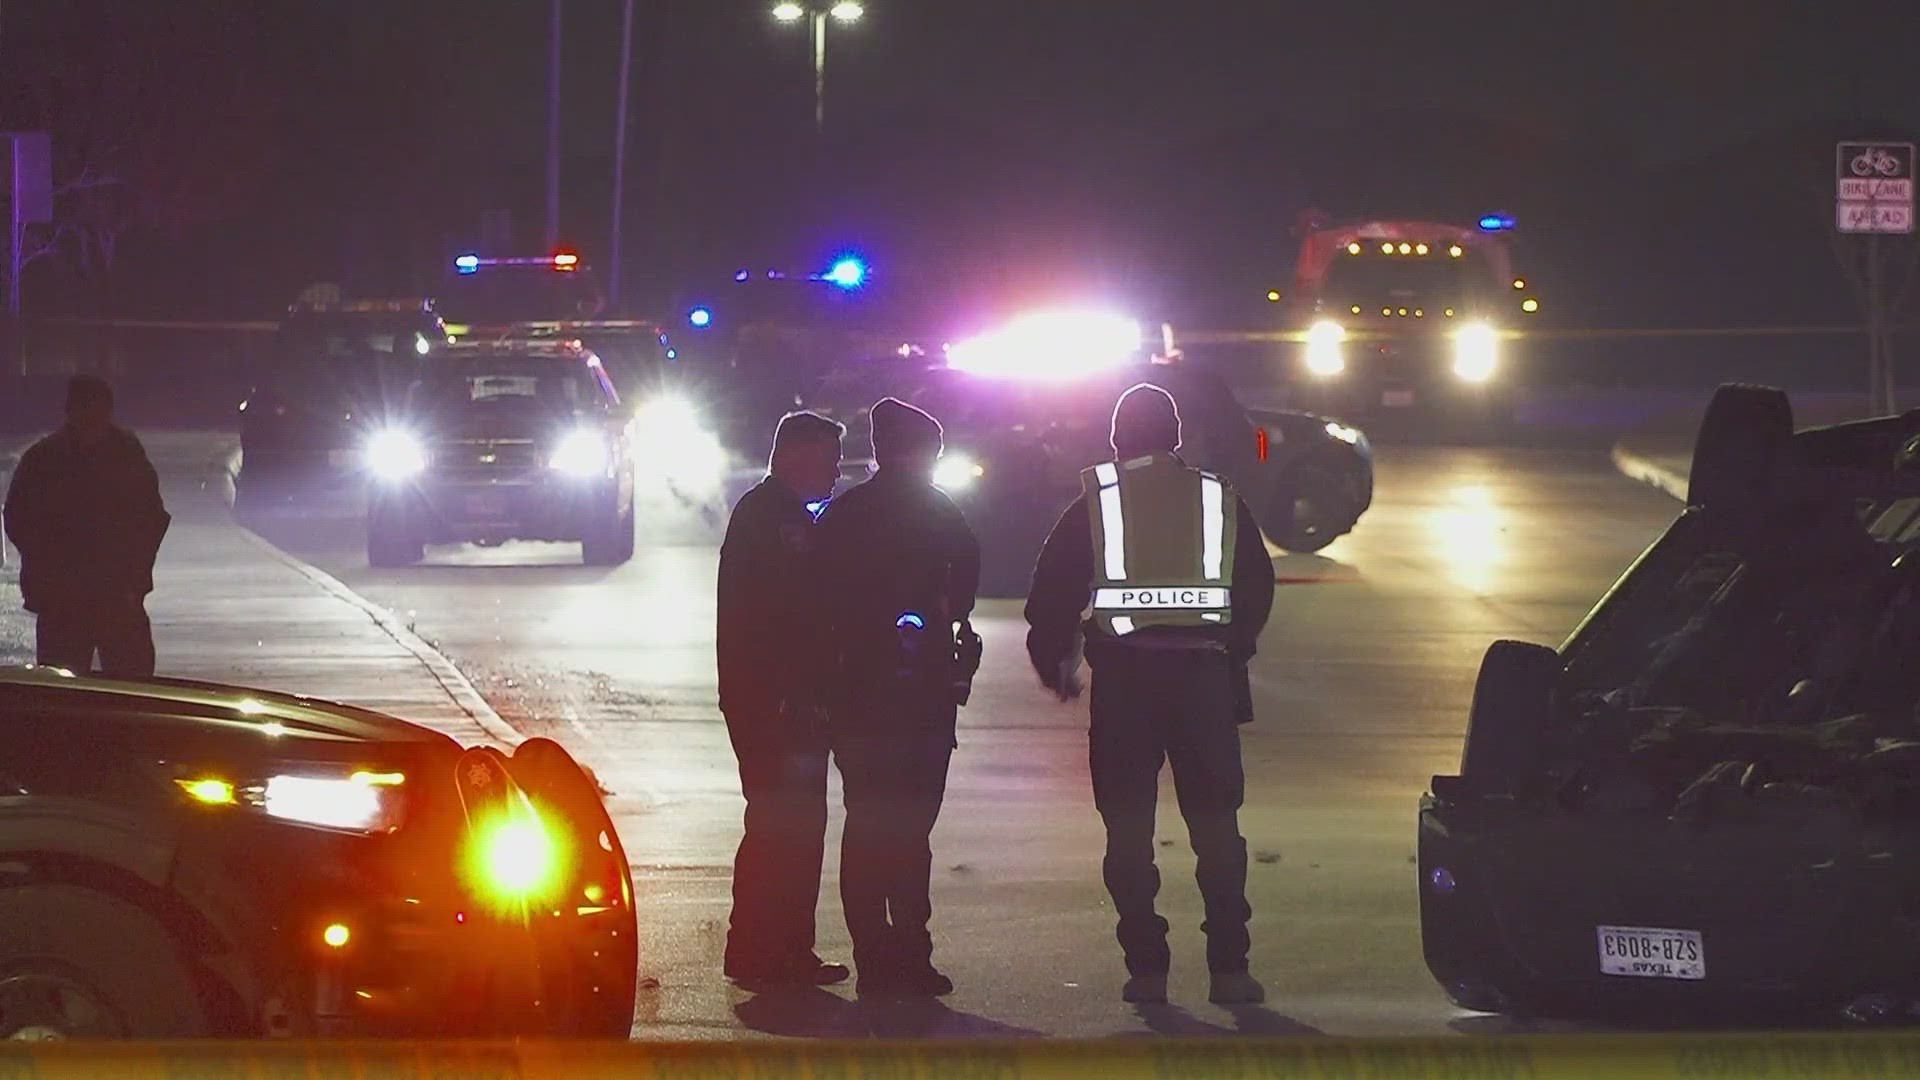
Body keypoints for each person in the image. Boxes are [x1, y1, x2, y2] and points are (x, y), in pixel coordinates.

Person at [1023, 382, 1275, 1006]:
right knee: (1218, 829)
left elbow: (1049, 592)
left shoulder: (1098, 498)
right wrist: (1232, 650)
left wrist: (1056, 664)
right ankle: (1230, 968)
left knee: (1129, 830)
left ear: (1116, 440)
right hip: (1203, 685)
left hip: (1126, 688)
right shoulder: (1218, 497)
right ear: (1177, 438)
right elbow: (1256, 587)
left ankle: (1147, 967)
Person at [815, 397, 980, 996]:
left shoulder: (842, 515)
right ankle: (911, 951)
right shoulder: (941, 514)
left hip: (856, 698)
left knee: (865, 824)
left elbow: (814, 605)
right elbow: (964, 590)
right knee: (911, 828)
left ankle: (873, 955)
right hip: (923, 698)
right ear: (918, 453)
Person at [715, 410, 851, 989]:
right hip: (777, 704)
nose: (837, 471)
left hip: (772, 699)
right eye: (828, 459)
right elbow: (788, 621)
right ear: (795, 457)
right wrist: (797, 696)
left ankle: (773, 948)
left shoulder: (773, 513)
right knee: (784, 827)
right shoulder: (777, 523)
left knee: (784, 826)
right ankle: (768, 952)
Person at [3, 375, 170, 677]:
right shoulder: (120, 455)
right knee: (120, 683)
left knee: (110, 683)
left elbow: (151, 519)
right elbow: (151, 519)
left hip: (101, 592)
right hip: (85, 594)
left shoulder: (46, 458)